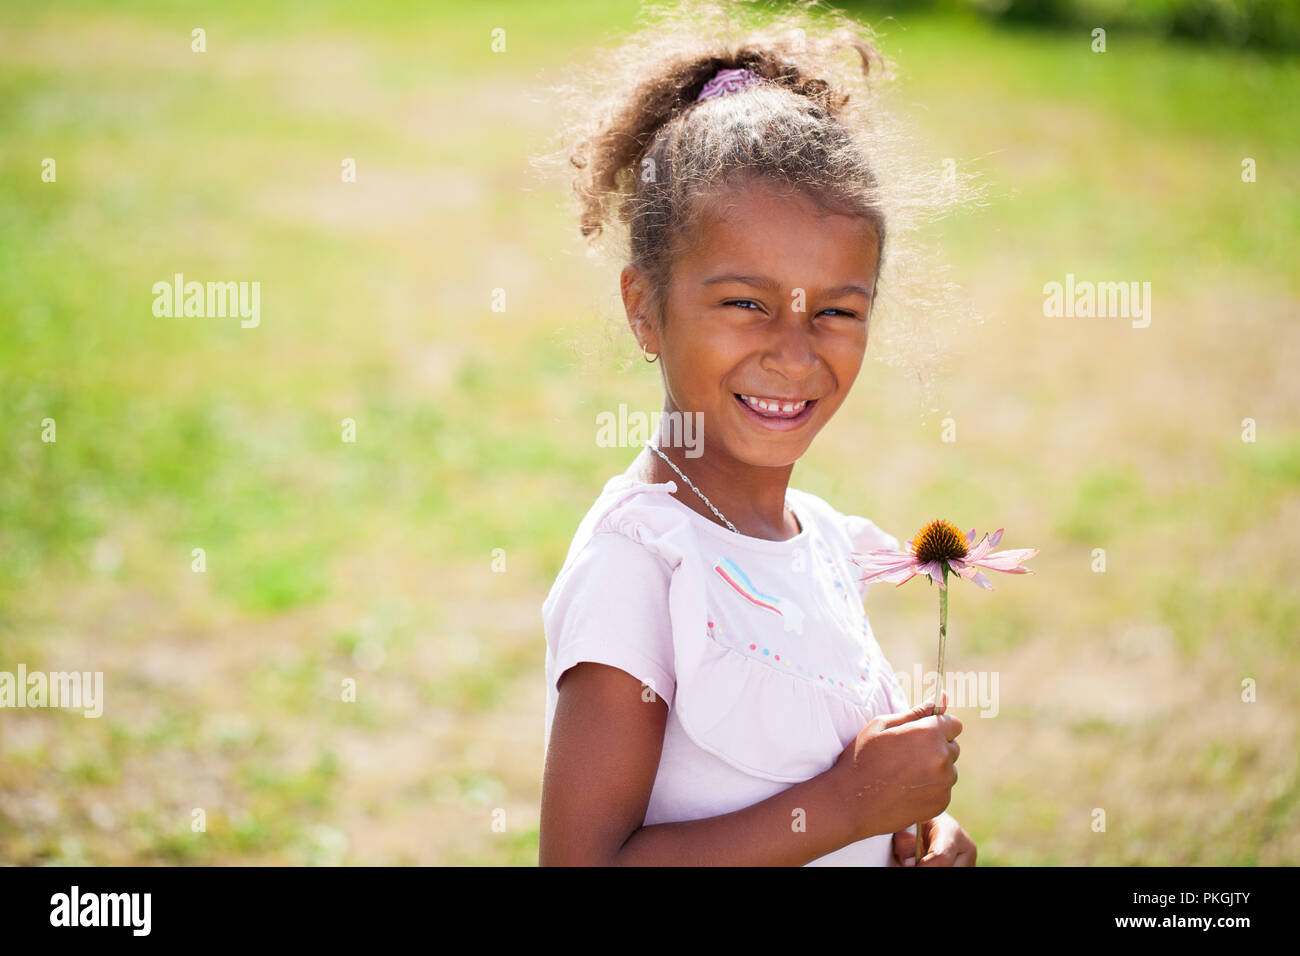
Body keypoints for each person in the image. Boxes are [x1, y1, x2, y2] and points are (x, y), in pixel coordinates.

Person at [539, 1, 974, 866]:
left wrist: (905, 833)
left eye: (838, 311)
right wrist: (849, 803)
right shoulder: (644, 565)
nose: (793, 351)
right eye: (746, 303)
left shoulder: (820, 542)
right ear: (645, 309)